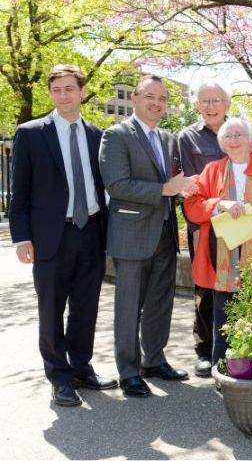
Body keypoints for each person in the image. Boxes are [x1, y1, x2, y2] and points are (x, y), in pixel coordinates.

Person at [8, 64, 117, 407]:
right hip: (50, 237)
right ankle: (59, 375)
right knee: (51, 308)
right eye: (57, 90)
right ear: (51, 93)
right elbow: (19, 191)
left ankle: (82, 367)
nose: (63, 95)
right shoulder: (30, 133)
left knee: (86, 308)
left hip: (92, 232)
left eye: (70, 89)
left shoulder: (98, 135)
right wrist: (21, 238)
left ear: (82, 91)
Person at [99, 74, 197, 397]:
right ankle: (128, 371)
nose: (157, 103)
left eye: (163, 99)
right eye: (150, 96)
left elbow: (175, 182)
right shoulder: (116, 136)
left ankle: (154, 359)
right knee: (129, 307)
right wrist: (164, 189)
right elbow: (117, 185)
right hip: (131, 235)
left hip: (166, 234)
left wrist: (186, 189)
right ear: (135, 98)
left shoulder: (169, 139)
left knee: (160, 302)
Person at [183, 117, 252, 364]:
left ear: (251, 140)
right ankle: (223, 367)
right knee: (224, 312)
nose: (234, 140)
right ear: (222, 143)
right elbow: (192, 207)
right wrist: (218, 204)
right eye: (228, 136)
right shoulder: (212, 170)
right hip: (223, 248)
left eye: (239, 135)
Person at [178, 80, 231, 377]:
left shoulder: (239, 132)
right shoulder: (187, 138)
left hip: (239, 221)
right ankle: (204, 350)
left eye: (217, 101)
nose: (211, 106)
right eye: (205, 101)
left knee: (236, 283)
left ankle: (232, 345)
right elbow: (190, 185)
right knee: (206, 288)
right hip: (205, 223)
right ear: (197, 105)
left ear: (227, 105)